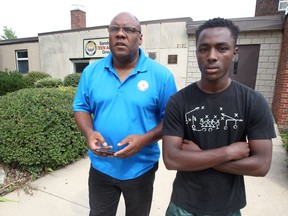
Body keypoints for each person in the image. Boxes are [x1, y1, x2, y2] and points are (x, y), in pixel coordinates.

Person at [162, 17, 276, 216]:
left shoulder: (252, 101)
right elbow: (171, 160)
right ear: (197, 52)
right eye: (204, 49)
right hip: (183, 206)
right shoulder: (178, 101)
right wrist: (229, 152)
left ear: (234, 53)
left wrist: (197, 155)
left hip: (228, 207)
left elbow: (261, 165)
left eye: (222, 48)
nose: (211, 56)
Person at [73, 12, 177, 216]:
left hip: (141, 169)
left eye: (128, 29)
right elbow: (81, 108)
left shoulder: (161, 76)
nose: (120, 34)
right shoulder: (91, 72)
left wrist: (144, 140)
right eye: (115, 29)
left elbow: (172, 121)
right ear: (109, 35)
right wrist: (89, 133)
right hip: (101, 166)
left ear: (139, 38)